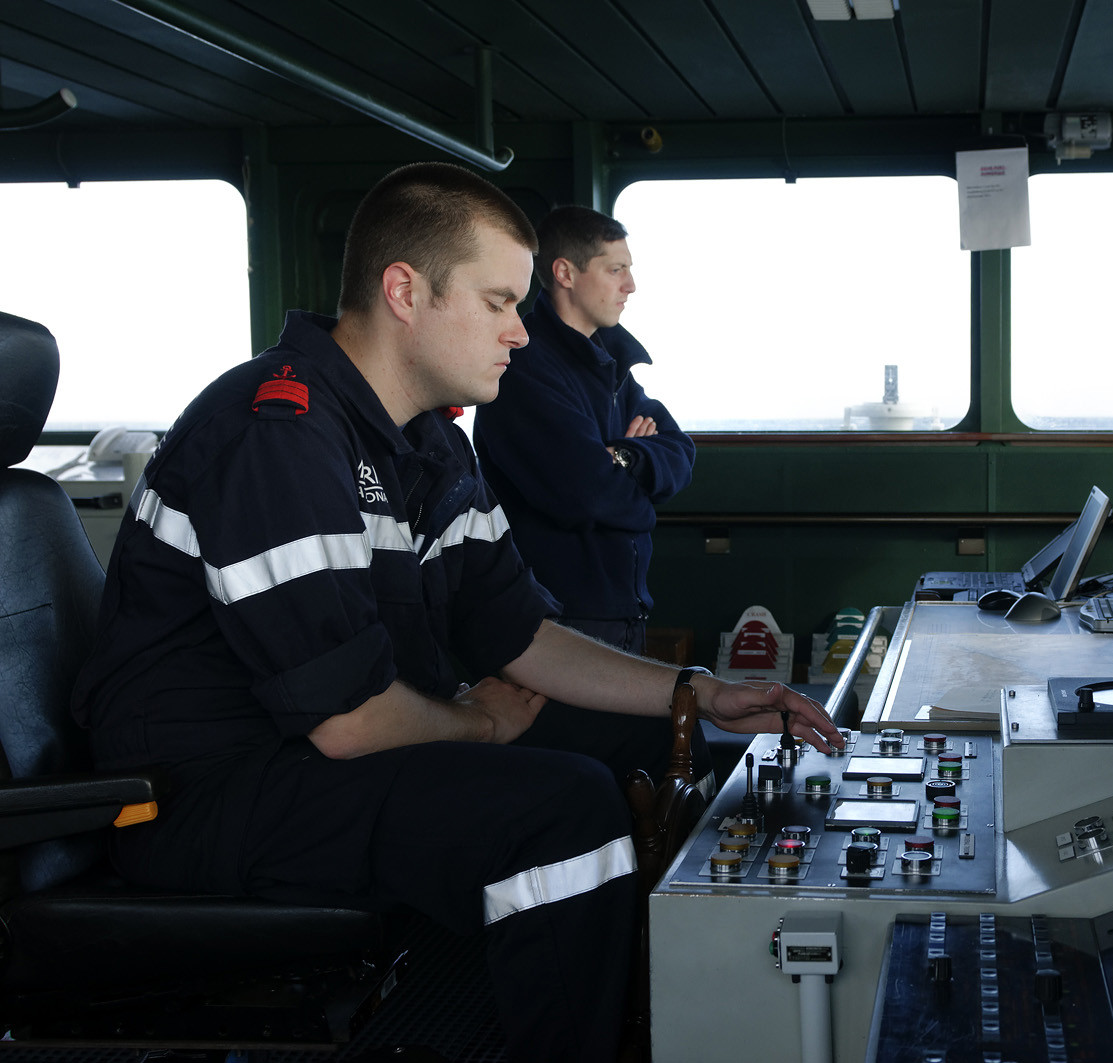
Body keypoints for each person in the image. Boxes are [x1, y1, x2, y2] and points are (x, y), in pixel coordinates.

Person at [70, 161, 840, 1062]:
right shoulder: (273, 431)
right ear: (406, 291)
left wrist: (700, 691)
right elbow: (348, 722)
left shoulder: (431, 441)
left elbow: (521, 635)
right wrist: (476, 726)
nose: (520, 331)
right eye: (498, 301)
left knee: (669, 740)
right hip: (203, 795)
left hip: (310, 761)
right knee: (562, 812)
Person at [473, 206, 704, 785]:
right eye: (615, 268)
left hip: (621, 610)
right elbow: (588, 494)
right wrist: (631, 490)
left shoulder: (614, 369)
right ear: (566, 273)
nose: (631, 285)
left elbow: (680, 454)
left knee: (655, 768)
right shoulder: (525, 369)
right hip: (557, 623)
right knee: (608, 772)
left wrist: (624, 456)